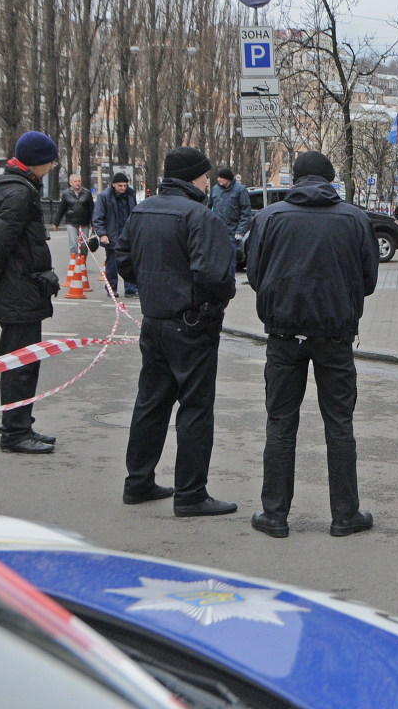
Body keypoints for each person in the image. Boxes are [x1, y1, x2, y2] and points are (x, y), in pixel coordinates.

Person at [245, 151, 379, 538]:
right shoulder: (354, 218)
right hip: (335, 335)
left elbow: (255, 274)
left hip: (283, 335)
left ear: (295, 179)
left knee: (280, 423)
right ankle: (344, 515)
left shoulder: (269, 217)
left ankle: (274, 515)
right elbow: (367, 280)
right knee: (339, 423)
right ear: (331, 177)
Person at [117, 146, 238, 516]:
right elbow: (213, 276)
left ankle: (138, 481)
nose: (207, 180)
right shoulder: (199, 216)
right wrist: (210, 303)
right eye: (204, 174)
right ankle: (191, 494)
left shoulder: (142, 210)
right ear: (193, 177)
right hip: (190, 324)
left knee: (151, 402)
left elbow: (124, 261)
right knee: (196, 407)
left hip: (154, 321)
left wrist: (157, 288)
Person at [0, 131, 61, 454]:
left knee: (25, 361)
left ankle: (21, 425)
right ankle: (14, 433)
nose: (52, 166)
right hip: (18, 291)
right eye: (50, 161)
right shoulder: (18, 193)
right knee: (19, 364)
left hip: (21, 288)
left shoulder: (15, 187)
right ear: (36, 162)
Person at [93, 172, 138, 298]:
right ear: (113, 185)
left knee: (129, 262)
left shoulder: (130, 194)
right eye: (120, 186)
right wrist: (102, 234)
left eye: (124, 185)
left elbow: (135, 214)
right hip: (112, 235)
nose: (123, 188)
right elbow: (98, 217)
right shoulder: (104, 197)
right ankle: (111, 289)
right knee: (112, 263)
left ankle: (131, 289)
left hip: (128, 235)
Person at [209, 166, 252, 252]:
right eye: (218, 177)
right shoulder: (215, 189)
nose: (218, 179)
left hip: (232, 234)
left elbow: (246, 212)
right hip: (217, 233)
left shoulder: (240, 190)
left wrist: (240, 231)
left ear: (227, 178)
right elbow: (209, 208)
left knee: (230, 261)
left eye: (221, 177)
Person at [52, 174, 94, 255]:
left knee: (84, 245)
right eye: (75, 181)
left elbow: (91, 209)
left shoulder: (87, 193)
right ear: (70, 182)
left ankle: (82, 263)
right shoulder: (66, 194)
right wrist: (56, 223)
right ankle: (74, 263)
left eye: (79, 181)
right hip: (71, 222)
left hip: (84, 222)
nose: (78, 183)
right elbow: (61, 209)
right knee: (73, 245)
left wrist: (93, 224)